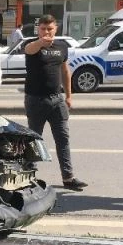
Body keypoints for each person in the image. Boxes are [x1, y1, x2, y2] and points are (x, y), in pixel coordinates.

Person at [23, 14, 87, 191]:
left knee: (63, 138)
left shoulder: (62, 47)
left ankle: (68, 177)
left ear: (55, 29)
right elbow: (29, 49)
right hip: (36, 99)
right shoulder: (33, 46)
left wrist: (69, 95)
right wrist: (41, 42)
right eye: (43, 29)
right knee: (33, 139)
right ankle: (29, 176)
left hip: (57, 99)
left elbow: (65, 71)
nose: (46, 32)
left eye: (49, 29)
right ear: (38, 29)